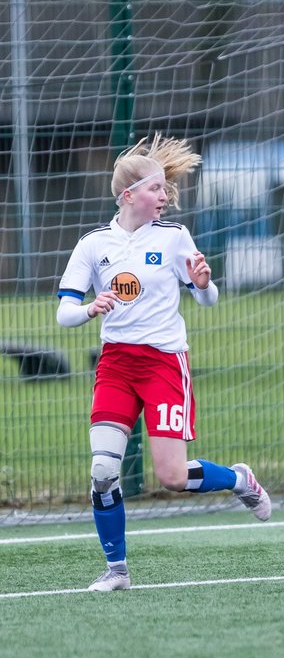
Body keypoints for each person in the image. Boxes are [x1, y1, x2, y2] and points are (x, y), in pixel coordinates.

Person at [55, 135, 271, 592]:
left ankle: (239, 479)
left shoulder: (174, 237)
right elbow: (64, 312)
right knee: (102, 471)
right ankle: (117, 570)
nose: (165, 196)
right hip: (115, 364)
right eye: (156, 189)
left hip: (164, 364)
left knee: (172, 477)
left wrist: (203, 283)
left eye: (165, 190)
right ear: (128, 195)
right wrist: (90, 309)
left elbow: (207, 299)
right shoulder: (93, 245)